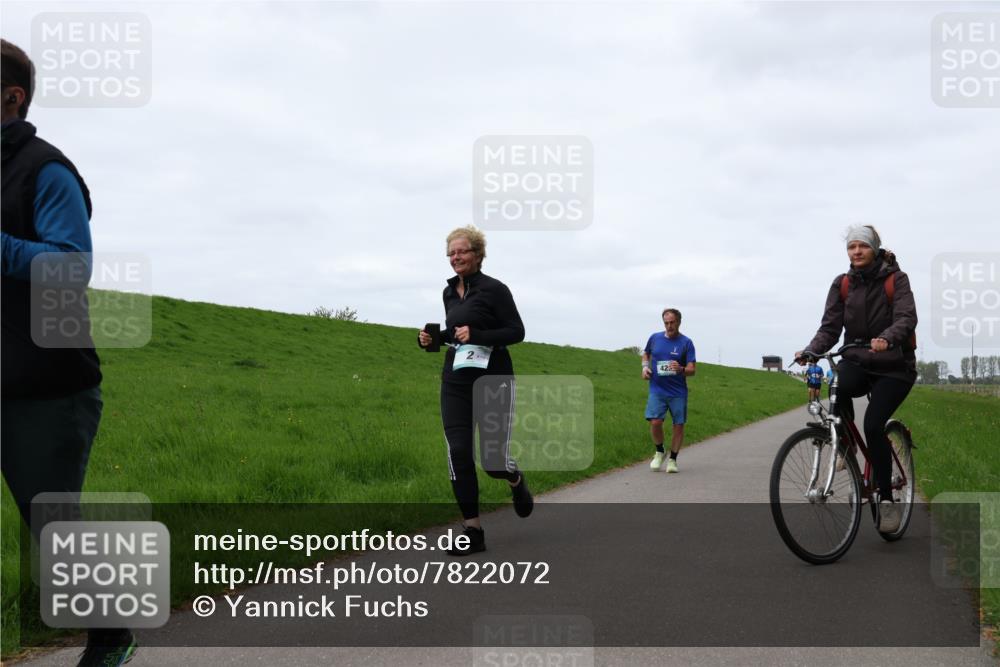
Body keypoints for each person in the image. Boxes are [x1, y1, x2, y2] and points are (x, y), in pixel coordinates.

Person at [1, 39, 137, 666]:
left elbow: (70, 267)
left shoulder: (45, 169)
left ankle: (110, 634)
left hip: (45, 387)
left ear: (11, 97)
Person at [418, 225, 532, 556]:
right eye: (451, 253)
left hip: (494, 380)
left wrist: (479, 334)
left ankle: (514, 479)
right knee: (458, 452)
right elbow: (457, 335)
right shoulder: (449, 292)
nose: (456, 257)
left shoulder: (496, 289)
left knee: (493, 461)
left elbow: (516, 331)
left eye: (462, 251)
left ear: (478, 254)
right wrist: (431, 340)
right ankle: (472, 530)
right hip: (455, 381)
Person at [796, 224, 917, 534]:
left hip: (894, 366)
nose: (857, 252)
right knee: (837, 384)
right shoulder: (843, 284)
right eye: (852, 247)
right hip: (858, 360)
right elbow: (830, 328)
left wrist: (888, 338)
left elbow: (906, 317)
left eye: (862, 246)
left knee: (874, 425)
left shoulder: (896, 280)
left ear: (874, 249)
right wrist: (811, 351)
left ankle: (888, 501)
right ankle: (846, 450)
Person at [642, 308, 696, 473]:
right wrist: (645, 368)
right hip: (657, 388)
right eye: (666, 323)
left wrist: (680, 369)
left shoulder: (686, 343)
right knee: (655, 422)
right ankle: (659, 451)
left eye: (672, 322)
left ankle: (672, 460)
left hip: (678, 391)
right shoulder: (655, 338)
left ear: (679, 322)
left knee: (678, 426)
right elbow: (646, 354)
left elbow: (692, 369)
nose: (669, 326)